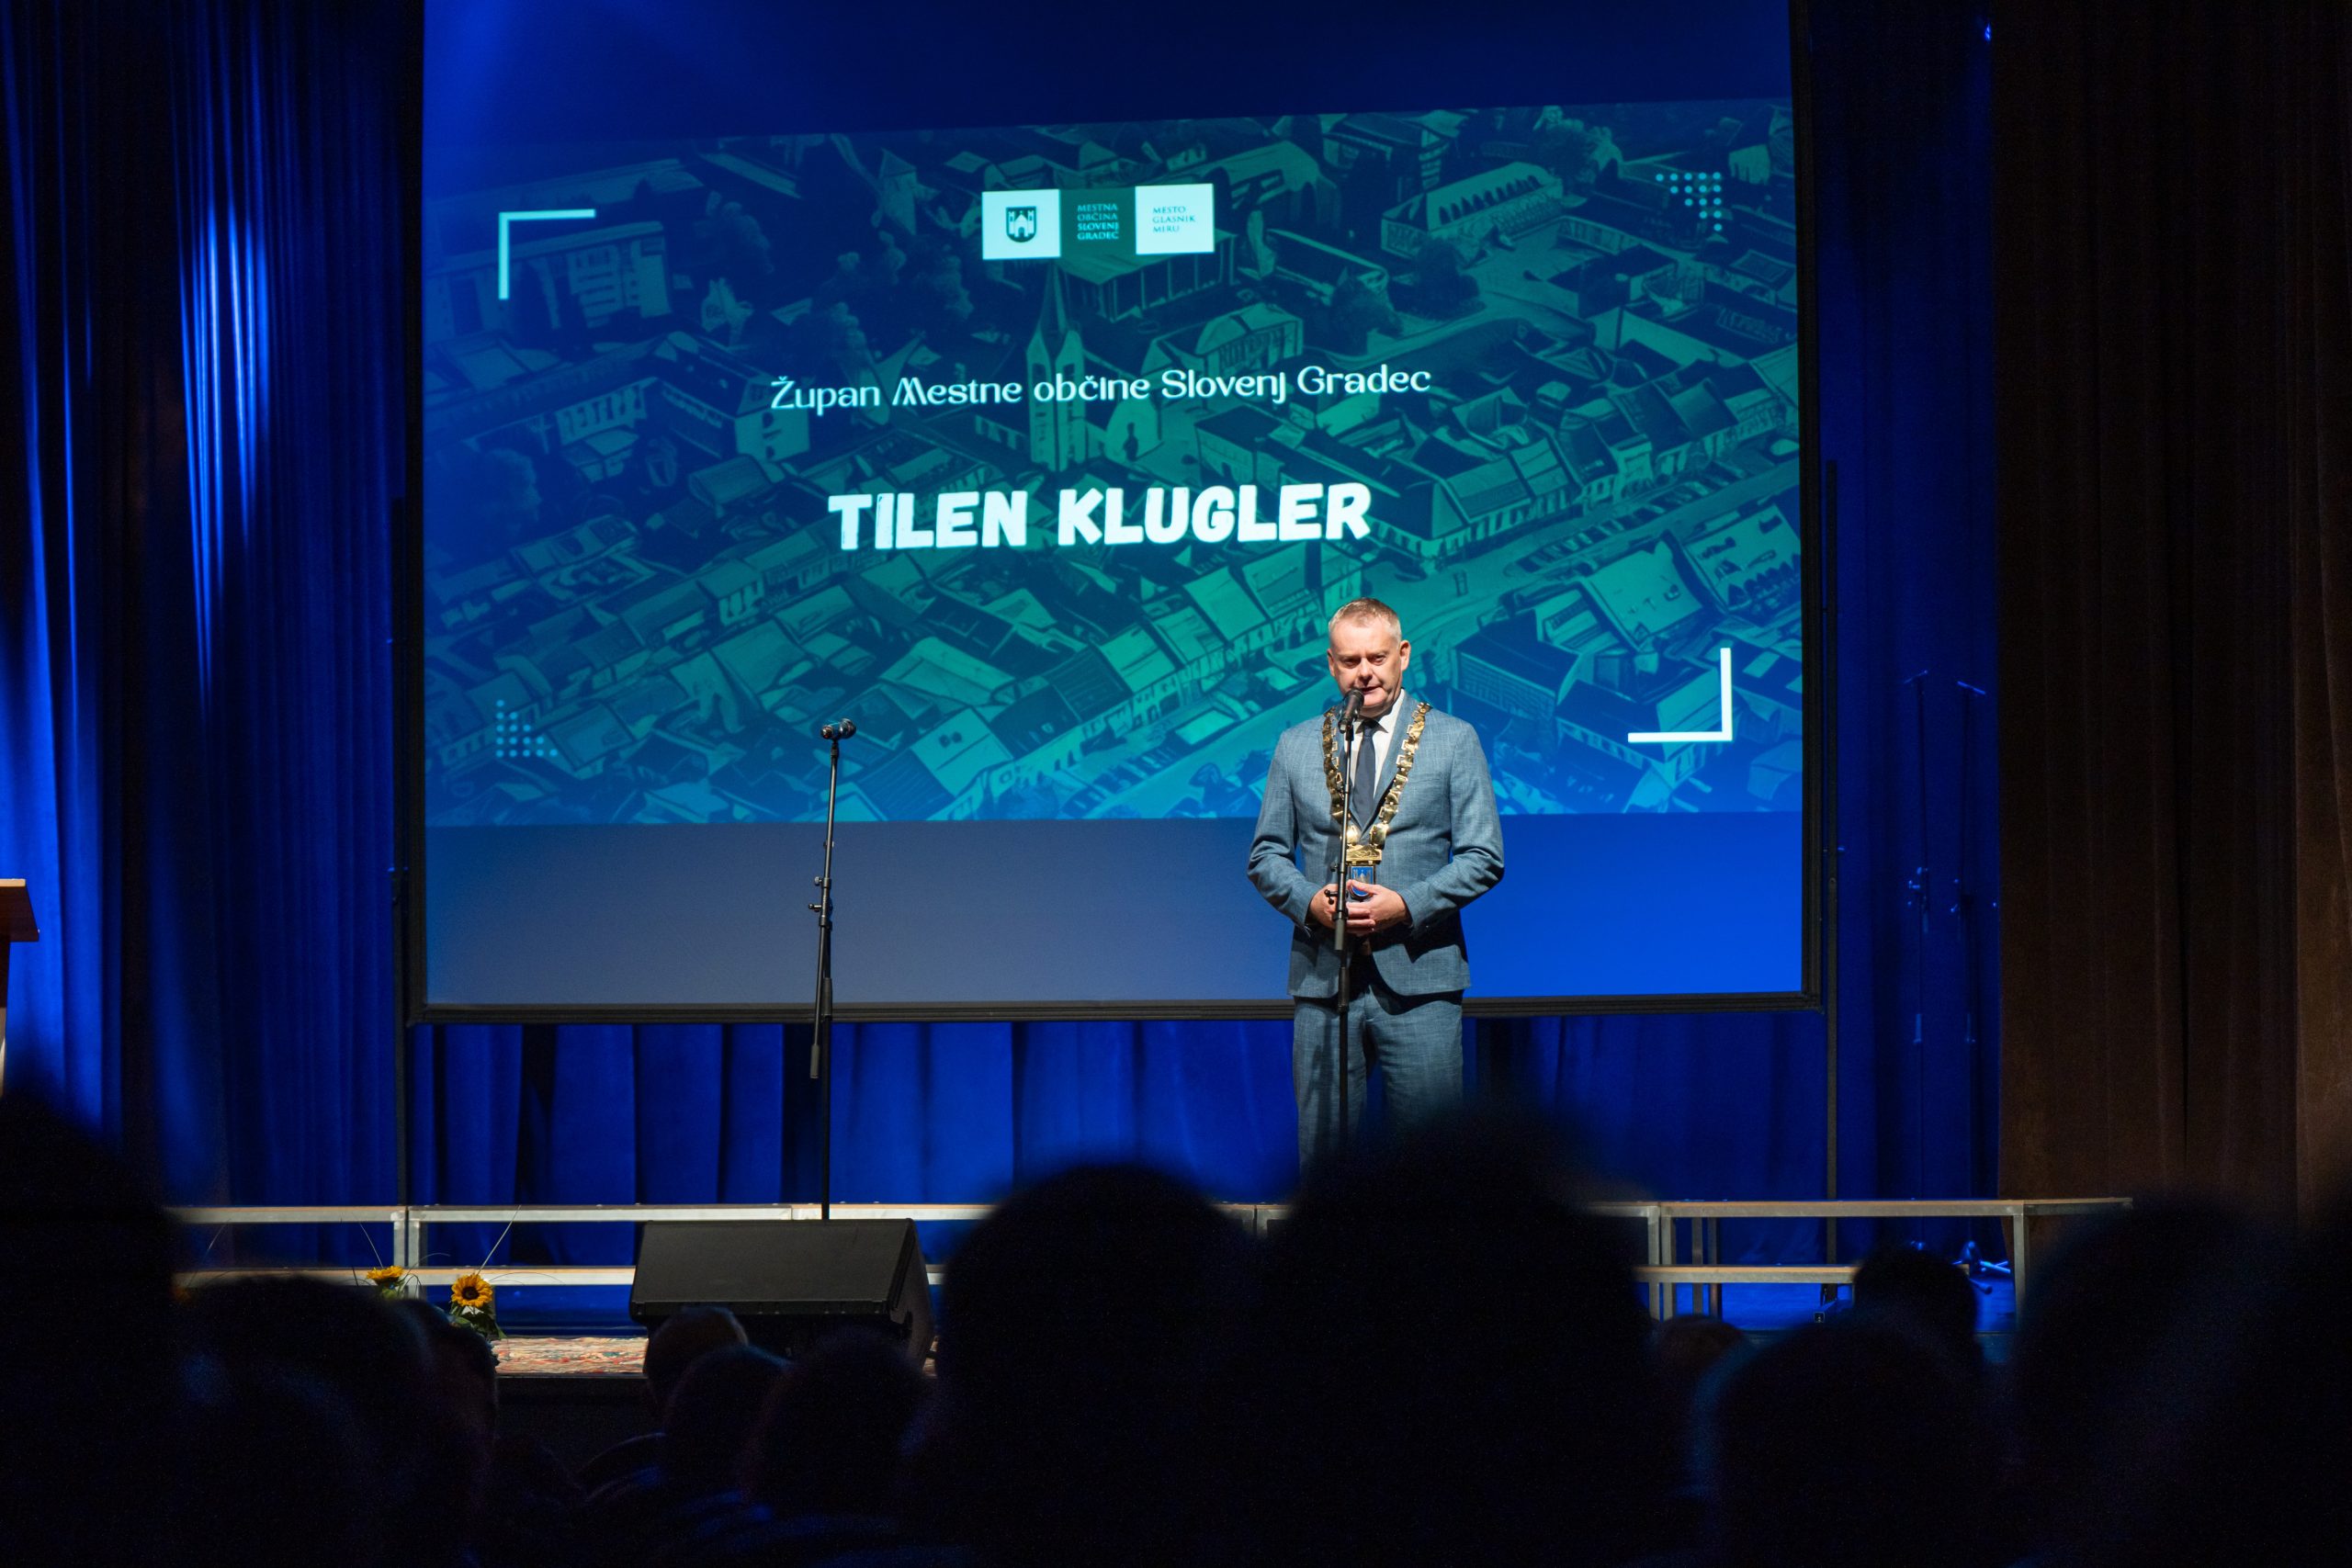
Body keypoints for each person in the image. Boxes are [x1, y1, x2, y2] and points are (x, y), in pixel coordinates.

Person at [1246, 596, 1504, 1168]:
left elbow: (1484, 856)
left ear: (1403, 655)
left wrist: (1406, 905)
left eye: (1377, 658)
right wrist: (1310, 901)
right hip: (1324, 980)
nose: (1364, 673)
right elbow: (1266, 855)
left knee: (1434, 1160)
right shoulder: (1296, 744)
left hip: (1421, 979)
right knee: (1326, 1160)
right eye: (1350, 661)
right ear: (1331, 664)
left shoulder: (1454, 739)